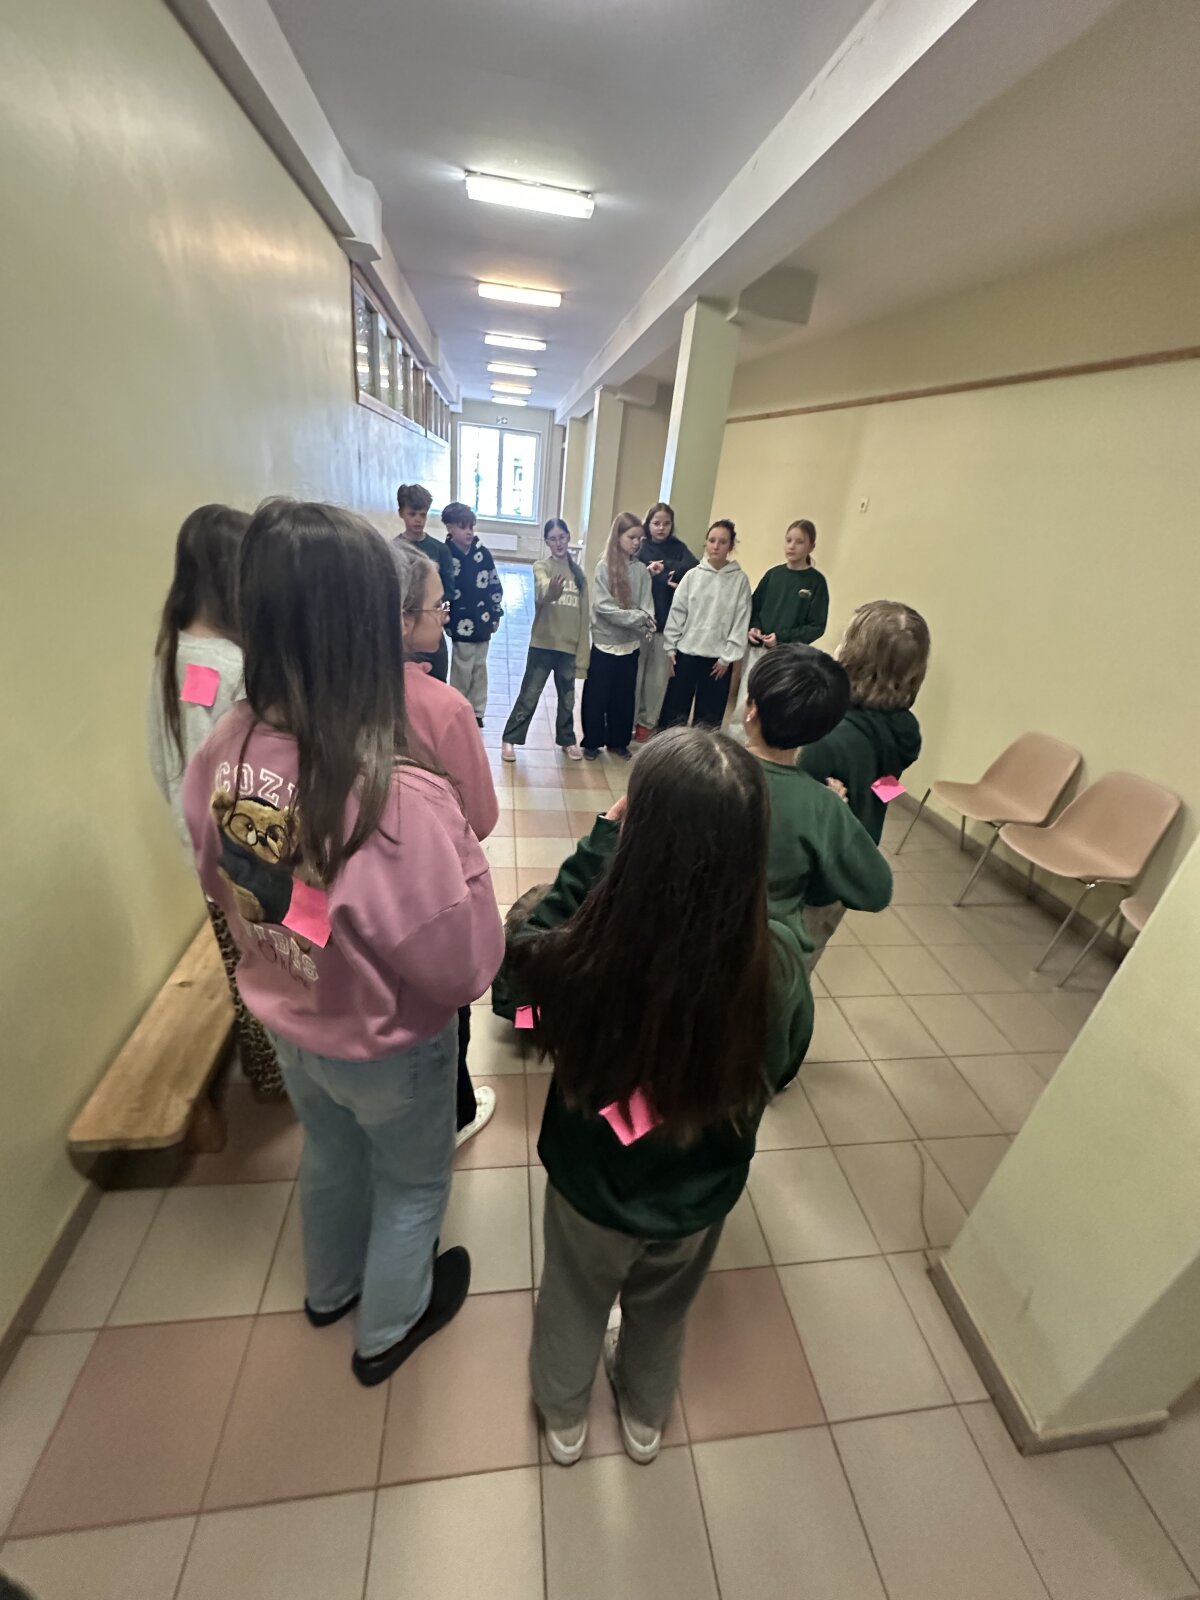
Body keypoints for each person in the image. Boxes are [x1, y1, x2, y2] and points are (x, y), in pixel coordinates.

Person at [183, 500, 503, 1386]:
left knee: (328, 1151)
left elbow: (217, 874)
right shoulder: (394, 793)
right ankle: (387, 1329)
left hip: (288, 1017)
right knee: (412, 1183)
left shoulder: (226, 745)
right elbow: (467, 964)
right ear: (368, 626)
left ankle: (329, 1290)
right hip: (387, 1043)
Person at [505, 729, 812, 1465]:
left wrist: (595, 850)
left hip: (590, 1179)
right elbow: (784, 1061)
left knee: (573, 1294)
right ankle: (644, 1416)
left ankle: (564, 1419)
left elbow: (521, 963)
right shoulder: (775, 959)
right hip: (699, 1186)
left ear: (636, 835)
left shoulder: (584, 948)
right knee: (665, 1304)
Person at [148, 504, 283, 1100]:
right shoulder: (207, 669)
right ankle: (276, 1075)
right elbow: (206, 776)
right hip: (239, 860)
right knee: (264, 969)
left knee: (259, 963)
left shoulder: (181, 651)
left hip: (232, 857)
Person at [395, 539, 499, 1149]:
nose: (445, 614)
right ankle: (455, 1115)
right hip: (432, 897)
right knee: (442, 1009)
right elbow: (479, 818)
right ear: (403, 619)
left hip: (355, 918)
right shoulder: (444, 706)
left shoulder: (327, 693)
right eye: (437, 607)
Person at [742, 646, 893, 967]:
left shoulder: (701, 770)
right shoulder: (822, 804)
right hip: (769, 952)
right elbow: (877, 890)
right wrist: (841, 813)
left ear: (751, 709)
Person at [800, 601, 929, 963]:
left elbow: (793, 816)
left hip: (807, 883)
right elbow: (886, 786)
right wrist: (863, 805)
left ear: (853, 655)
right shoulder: (904, 731)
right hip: (851, 860)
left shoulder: (827, 737)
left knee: (781, 968)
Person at [501, 518, 587, 762]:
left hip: (568, 647)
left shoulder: (579, 575)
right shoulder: (542, 566)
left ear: (568, 538)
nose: (558, 543)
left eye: (562, 537)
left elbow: (584, 615)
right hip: (543, 645)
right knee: (530, 695)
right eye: (553, 539)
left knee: (567, 699)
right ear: (547, 542)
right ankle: (510, 738)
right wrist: (552, 591)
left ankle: (567, 740)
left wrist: (583, 653)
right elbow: (542, 590)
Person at [733, 518, 829, 735]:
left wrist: (782, 638)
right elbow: (754, 607)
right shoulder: (773, 575)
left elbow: (817, 626)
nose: (792, 546)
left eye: (799, 542)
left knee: (775, 703)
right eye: (788, 540)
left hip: (788, 655)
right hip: (757, 651)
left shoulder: (816, 582)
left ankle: (767, 746)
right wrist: (754, 628)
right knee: (746, 699)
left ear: (811, 546)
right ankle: (737, 742)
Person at [660, 519, 752, 731]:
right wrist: (671, 647)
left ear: (731, 546)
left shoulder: (739, 581)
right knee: (674, 712)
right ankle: (671, 748)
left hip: (718, 661)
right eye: (711, 540)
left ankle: (704, 752)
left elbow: (740, 621)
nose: (715, 546)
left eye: (722, 542)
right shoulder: (693, 576)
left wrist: (727, 657)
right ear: (706, 543)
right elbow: (678, 613)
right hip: (686, 654)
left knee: (709, 719)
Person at [580, 512, 656, 761]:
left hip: (630, 645)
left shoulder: (641, 571)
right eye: (631, 537)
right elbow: (604, 608)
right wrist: (636, 617)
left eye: (639, 539)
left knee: (623, 696)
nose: (636, 543)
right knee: (597, 695)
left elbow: (647, 607)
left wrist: (644, 619)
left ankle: (618, 741)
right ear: (618, 536)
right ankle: (592, 742)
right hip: (605, 643)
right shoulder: (603, 567)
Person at [634, 502, 697, 740]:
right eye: (656, 523)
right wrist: (648, 570)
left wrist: (666, 566)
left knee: (656, 680)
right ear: (648, 524)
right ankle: (627, 720)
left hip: (665, 623)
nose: (661, 528)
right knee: (635, 676)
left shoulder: (678, 548)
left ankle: (646, 723)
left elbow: (694, 567)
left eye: (666, 524)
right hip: (640, 624)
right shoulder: (640, 547)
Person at [441, 501, 504, 727]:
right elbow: (442, 591)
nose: (468, 532)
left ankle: (477, 711)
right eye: (462, 527)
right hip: (459, 623)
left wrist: (496, 613)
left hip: (483, 621)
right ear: (449, 528)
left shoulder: (482, 555)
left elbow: (494, 584)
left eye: (471, 527)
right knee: (462, 667)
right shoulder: (446, 556)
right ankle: (458, 709)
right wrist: (444, 617)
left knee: (479, 667)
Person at [394, 483, 455, 681]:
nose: (418, 519)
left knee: (437, 681)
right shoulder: (393, 550)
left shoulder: (440, 550)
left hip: (431, 626)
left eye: (423, 514)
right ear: (401, 513)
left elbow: (449, 591)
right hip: (403, 634)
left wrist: (442, 613)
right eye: (412, 514)